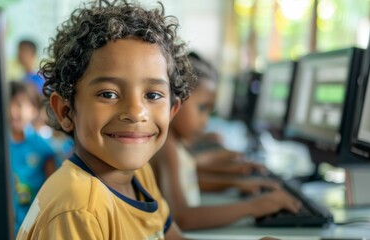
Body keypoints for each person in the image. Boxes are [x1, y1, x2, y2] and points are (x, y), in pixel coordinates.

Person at [16, 1, 195, 239]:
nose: (135, 112)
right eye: (108, 94)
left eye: (152, 95)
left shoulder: (138, 175)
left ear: (172, 111)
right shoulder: (78, 208)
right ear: (66, 111)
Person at [150, 52, 302, 230]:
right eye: (202, 108)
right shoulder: (166, 147)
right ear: (175, 100)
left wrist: (235, 183)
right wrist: (253, 207)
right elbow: (182, 218)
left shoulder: (175, 143)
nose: (205, 122)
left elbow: (188, 181)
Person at [8, 81, 57, 235]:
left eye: (19, 105)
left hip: (32, 231)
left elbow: (53, 194)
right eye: (8, 104)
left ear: (34, 109)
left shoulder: (44, 148)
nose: (12, 111)